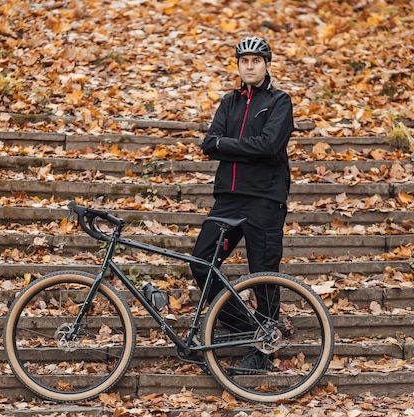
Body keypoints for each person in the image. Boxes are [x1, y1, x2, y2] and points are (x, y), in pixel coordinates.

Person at [190, 36, 294, 373]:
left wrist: (227, 144)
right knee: (201, 262)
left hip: (265, 199)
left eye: (256, 60)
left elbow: (268, 145)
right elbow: (209, 144)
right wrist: (238, 145)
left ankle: (262, 351)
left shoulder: (280, 101)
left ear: (266, 64)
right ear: (238, 65)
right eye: (244, 60)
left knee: (263, 275)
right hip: (228, 200)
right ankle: (248, 327)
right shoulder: (228, 102)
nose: (249, 65)